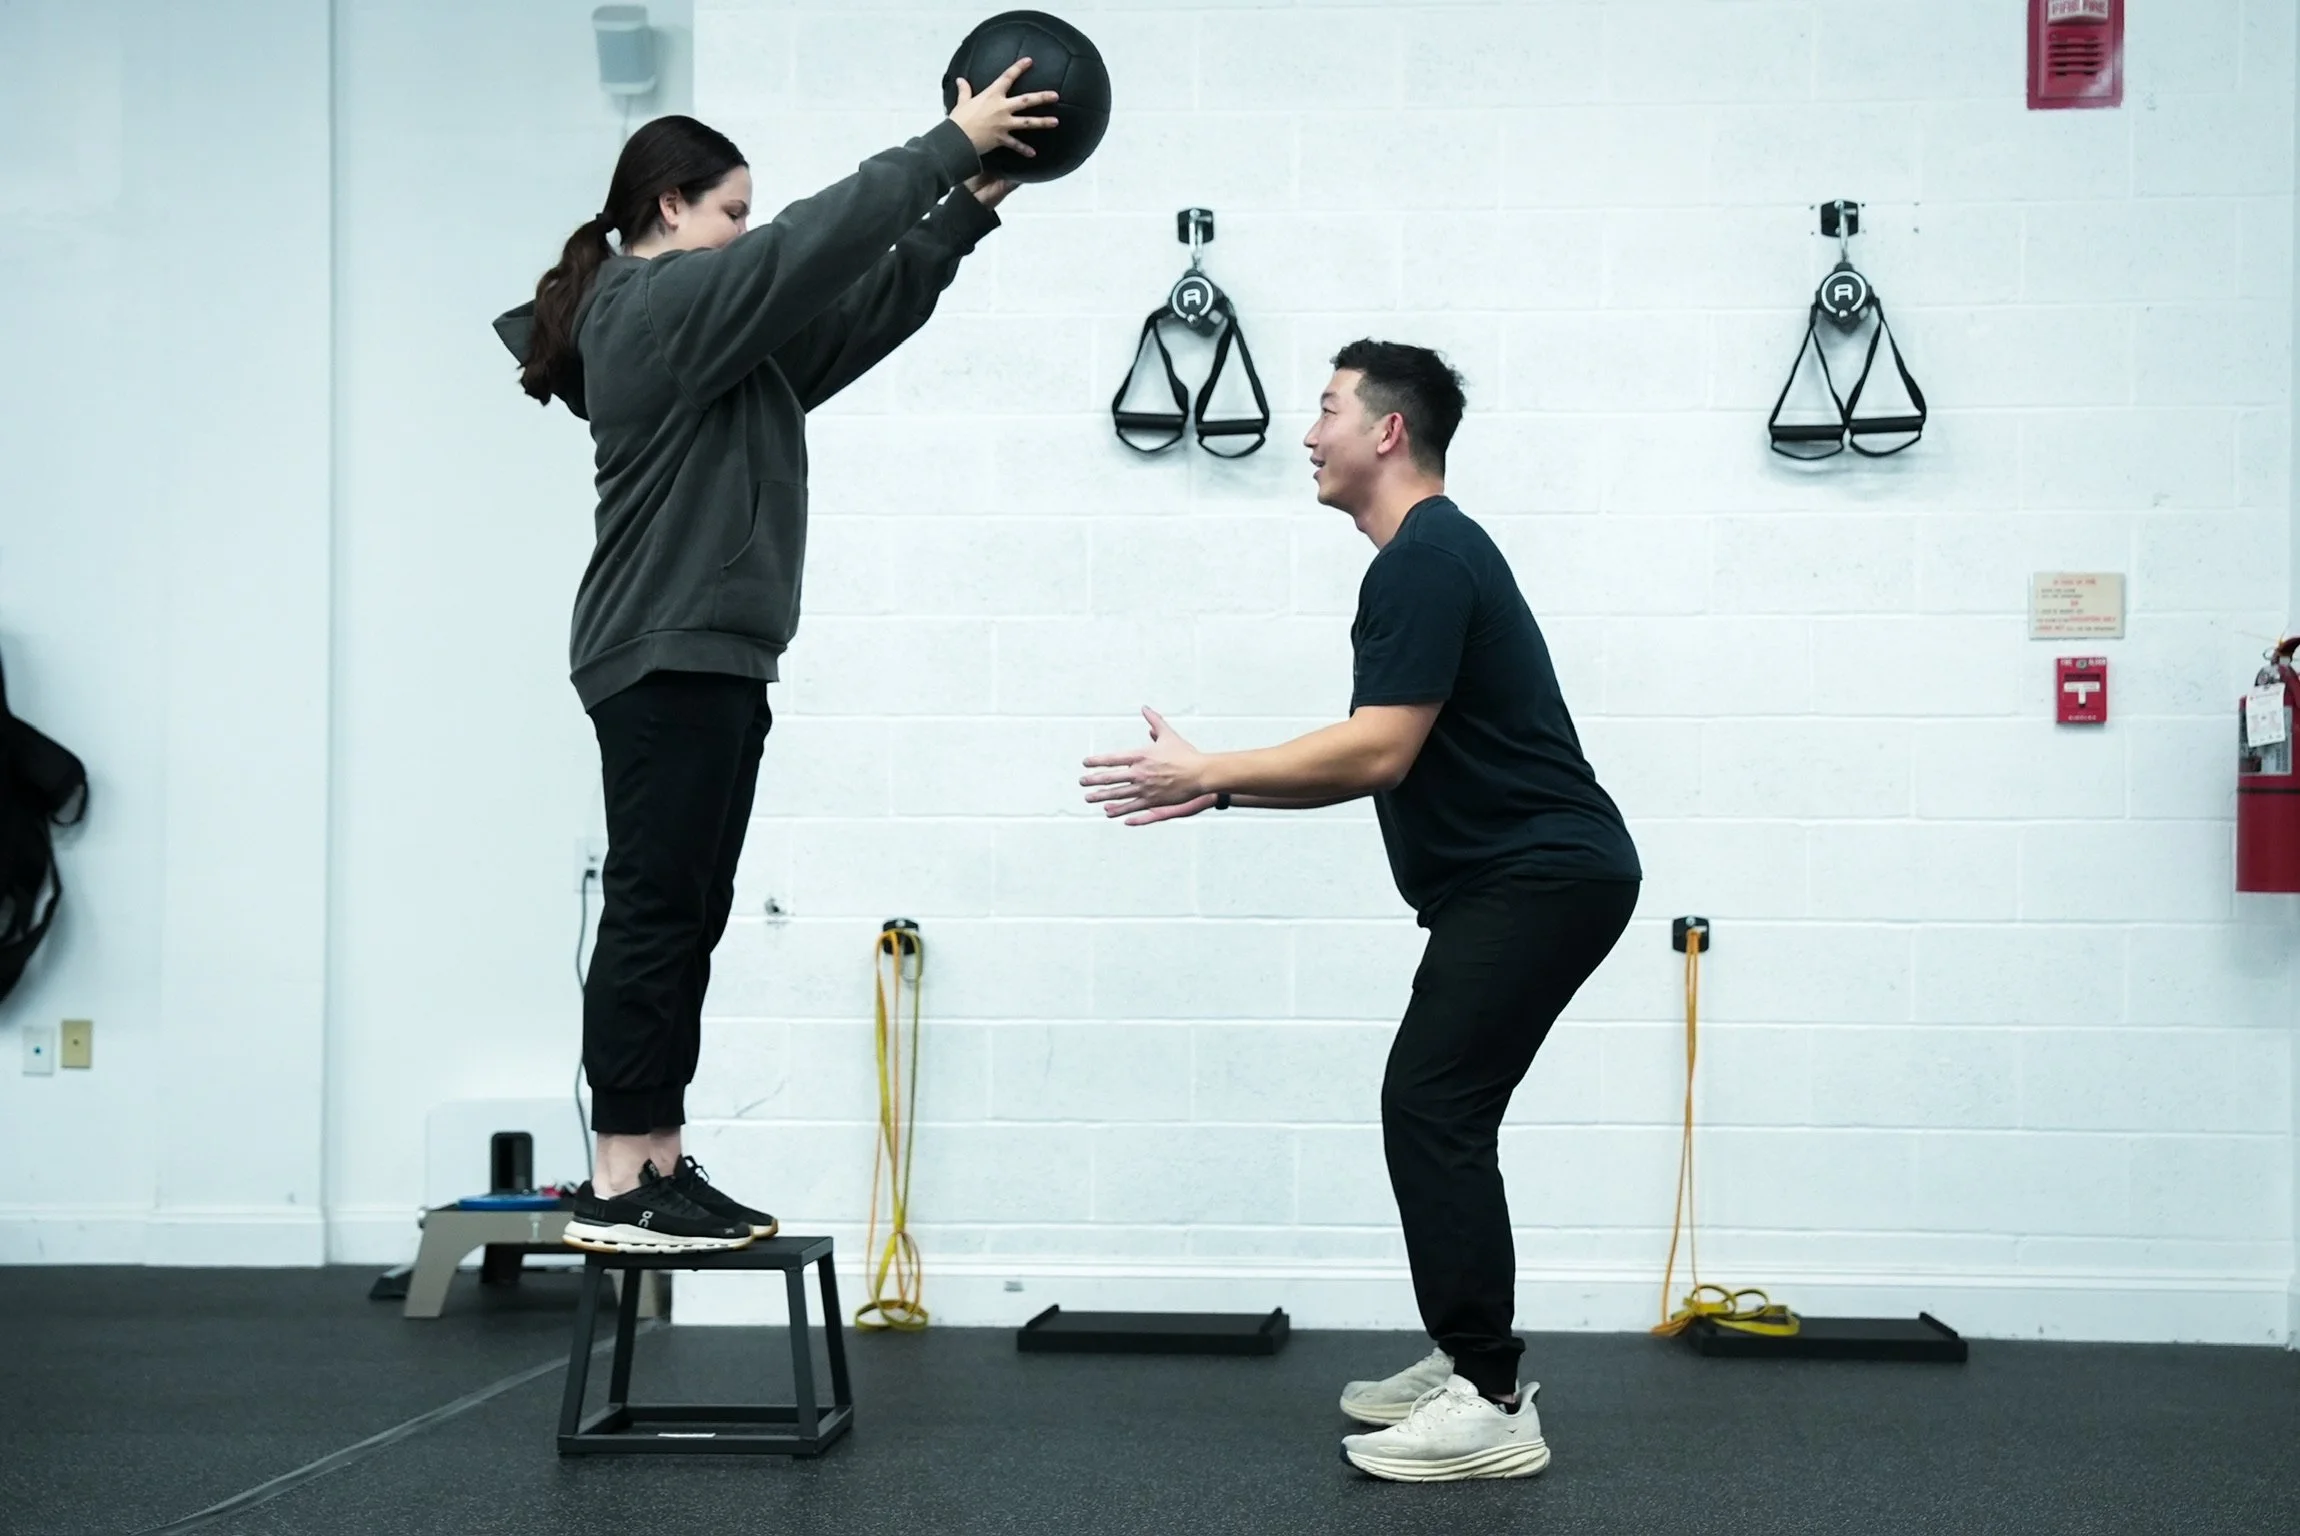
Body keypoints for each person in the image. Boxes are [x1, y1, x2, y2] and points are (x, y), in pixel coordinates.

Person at [493, 67, 1058, 1255]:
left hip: (715, 655)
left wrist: (969, 208)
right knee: (655, 910)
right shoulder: (647, 312)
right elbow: (812, 248)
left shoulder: (719, 344)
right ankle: (614, 1183)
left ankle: (653, 1160)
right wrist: (944, 145)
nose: (746, 231)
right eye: (730, 212)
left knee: (687, 911)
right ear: (666, 213)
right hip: (662, 652)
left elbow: (852, 309)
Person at [1080, 340, 1641, 1482]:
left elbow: (1380, 751)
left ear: (1387, 430)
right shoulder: (1427, 555)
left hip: (1539, 875)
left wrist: (1212, 770)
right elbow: (1380, 752)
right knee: (1438, 1108)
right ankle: (1467, 1358)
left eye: (1327, 408)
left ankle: (1488, 1400)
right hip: (1529, 877)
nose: (1307, 432)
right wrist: (1221, 782)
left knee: (1429, 1106)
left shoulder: (1423, 559)